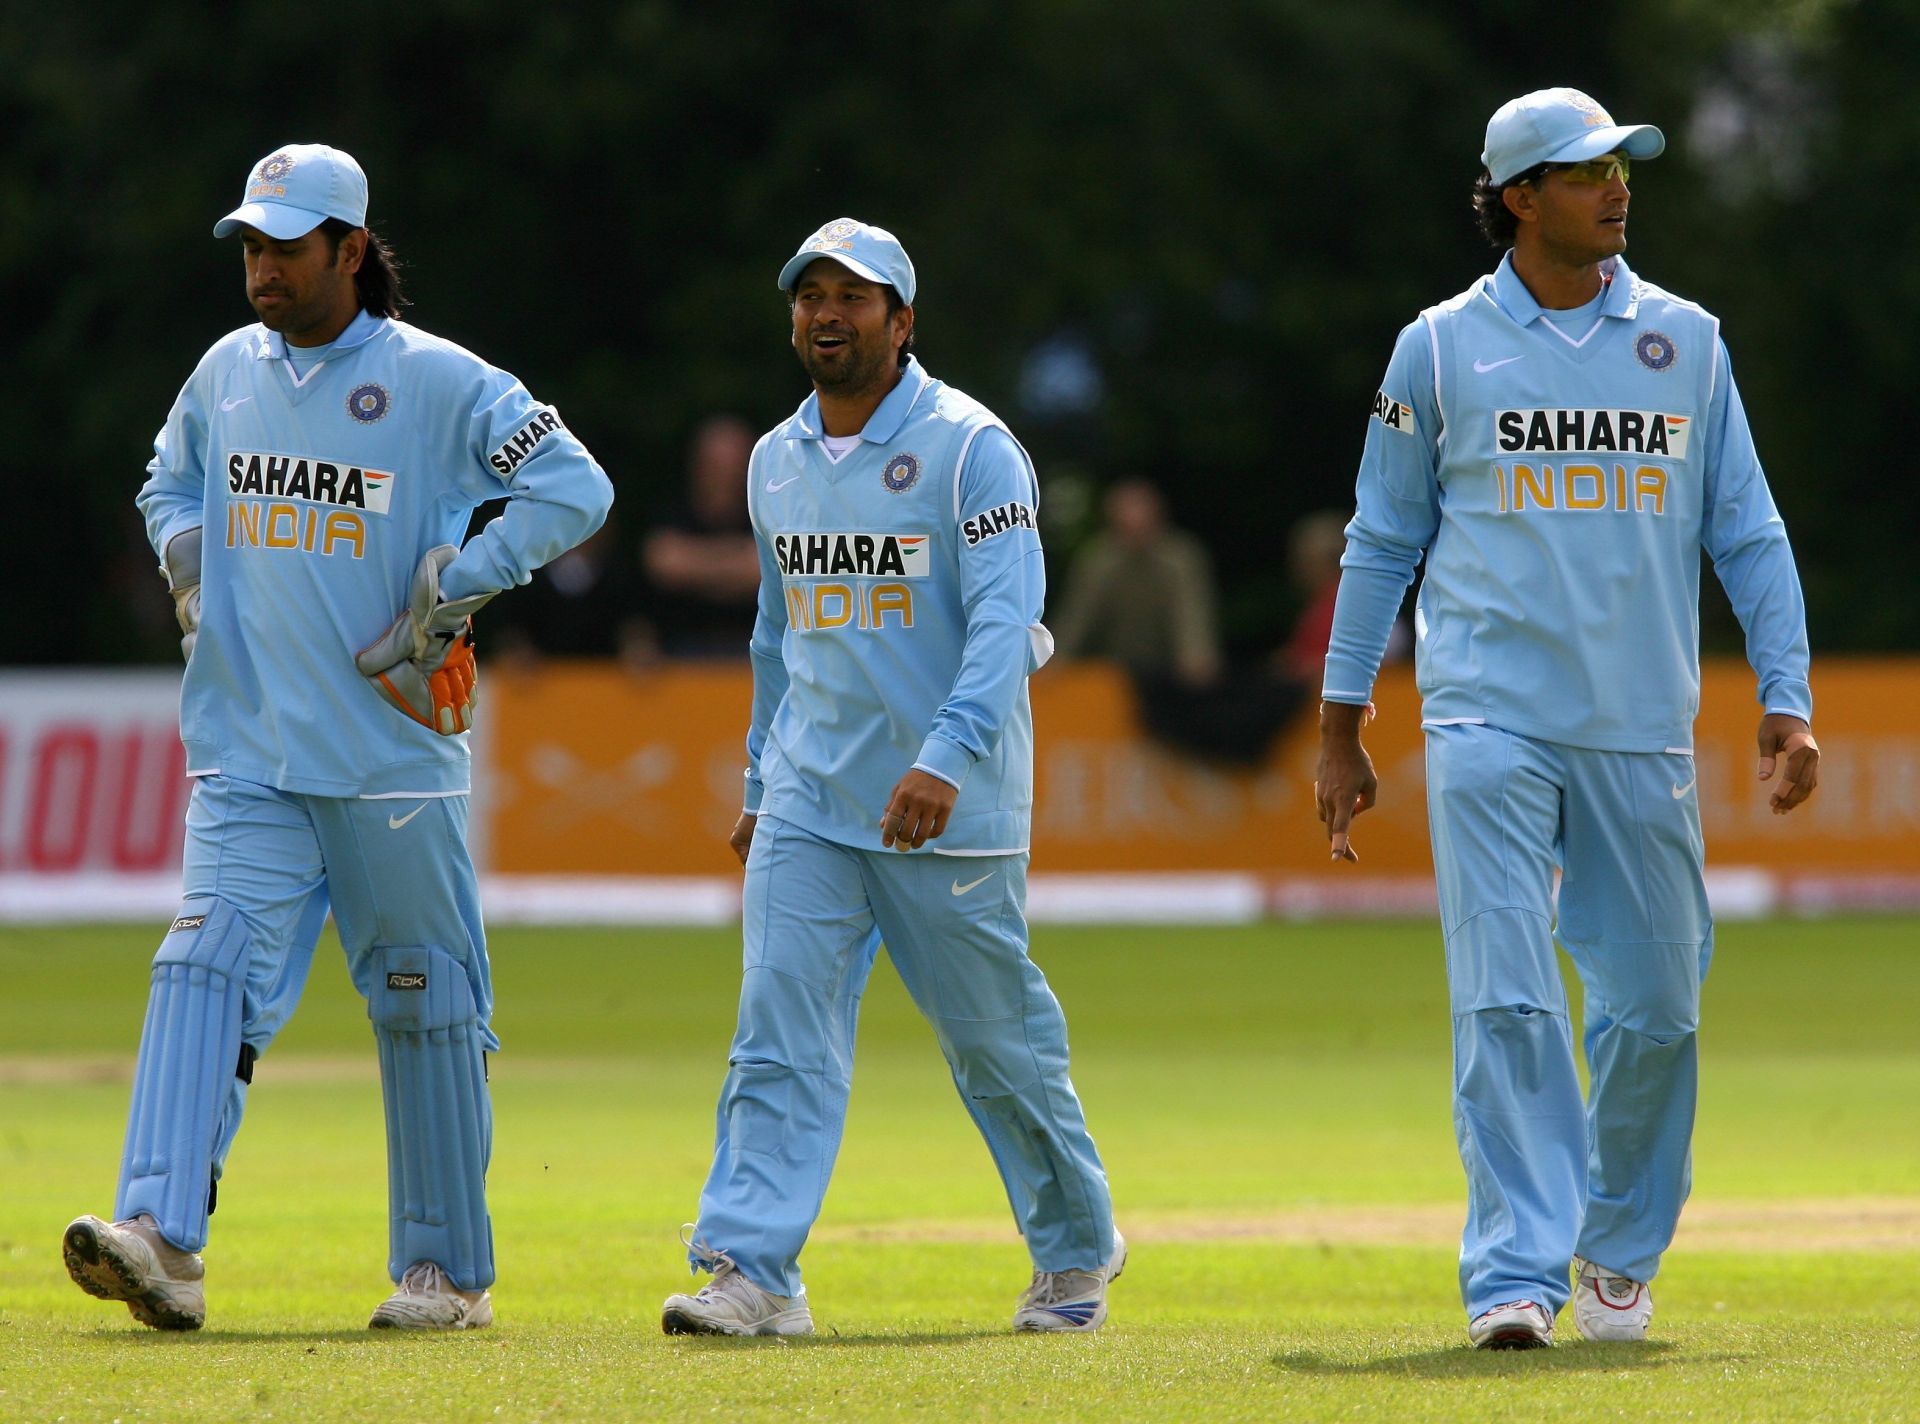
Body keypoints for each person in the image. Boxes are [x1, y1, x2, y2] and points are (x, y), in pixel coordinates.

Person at [62, 143, 613, 1331]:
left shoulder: (439, 381)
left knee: (424, 999)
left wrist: (462, 579)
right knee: (201, 964)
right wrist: (192, 563)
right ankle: (159, 1235)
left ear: (351, 250)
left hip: (389, 757)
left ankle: (443, 1273)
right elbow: (170, 484)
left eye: (286, 247)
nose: (262, 268)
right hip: (248, 749)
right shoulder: (224, 372)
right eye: (251, 246)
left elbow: (577, 487)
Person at [1313, 89, 1819, 1351]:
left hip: (1640, 727)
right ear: (1519, 197)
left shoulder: (1688, 341)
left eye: (1623, 166)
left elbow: (1746, 527)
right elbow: (1383, 539)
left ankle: (1618, 1253)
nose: (1619, 187)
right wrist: (1342, 717)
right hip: (1484, 715)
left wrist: (1786, 692)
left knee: (1657, 1007)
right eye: (1588, 170)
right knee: (1507, 996)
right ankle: (1514, 1275)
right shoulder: (1436, 348)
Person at [661, 218, 1122, 1337]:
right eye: (810, 295)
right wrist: (761, 780)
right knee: (776, 1032)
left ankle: (1073, 1249)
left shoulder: (973, 448)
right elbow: (780, 636)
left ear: (902, 321)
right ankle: (753, 1270)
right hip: (812, 800)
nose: (826, 314)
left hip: (946, 805)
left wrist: (944, 758)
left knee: (994, 1041)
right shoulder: (775, 459)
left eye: (853, 297)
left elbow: (1009, 622)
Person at [1050, 476, 1222, 687]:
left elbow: (1190, 612)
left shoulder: (1181, 558)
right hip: (1113, 671)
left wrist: (1197, 656)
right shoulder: (1097, 561)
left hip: (1170, 671)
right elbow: (1076, 616)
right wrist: (1054, 660)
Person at [638, 414, 764, 657]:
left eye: (734, 465)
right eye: (717, 465)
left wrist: (695, 563)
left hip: (753, 652)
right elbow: (664, 564)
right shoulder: (672, 513)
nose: (725, 475)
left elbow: (766, 572)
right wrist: (737, 561)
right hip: (678, 652)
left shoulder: (767, 516)